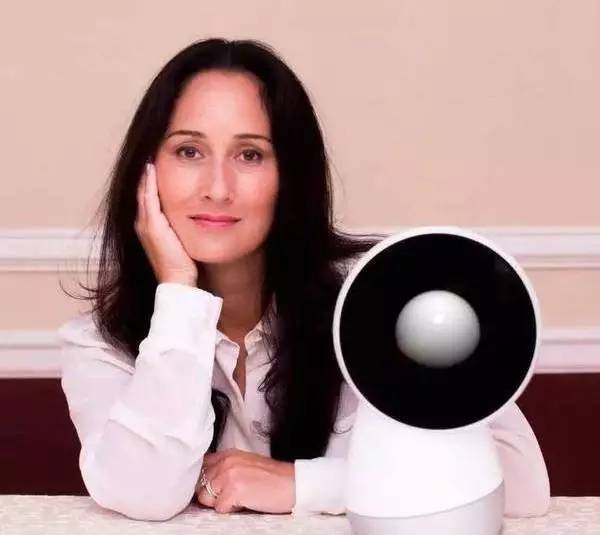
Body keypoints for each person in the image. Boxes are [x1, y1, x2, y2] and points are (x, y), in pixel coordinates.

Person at [58, 38, 551, 522]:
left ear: (290, 176)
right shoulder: (99, 343)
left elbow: (521, 483)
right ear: (146, 174)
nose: (217, 188)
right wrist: (179, 295)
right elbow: (144, 494)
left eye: (250, 155)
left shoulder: (377, 296)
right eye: (189, 151)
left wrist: (302, 483)